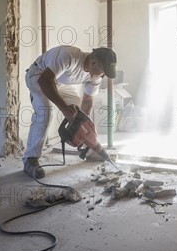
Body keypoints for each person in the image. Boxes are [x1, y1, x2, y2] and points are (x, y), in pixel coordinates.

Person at [23, 45, 117, 178]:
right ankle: (30, 159)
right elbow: (45, 81)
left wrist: (83, 126)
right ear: (94, 61)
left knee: (79, 114)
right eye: (102, 71)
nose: (102, 75)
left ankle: (90, 148)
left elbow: (87, 100)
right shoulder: (69, 56)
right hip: (38, 74)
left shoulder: (95, 76)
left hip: (57, 82)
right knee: (46, 111)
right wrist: (65, 109)